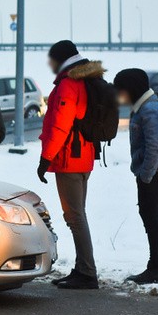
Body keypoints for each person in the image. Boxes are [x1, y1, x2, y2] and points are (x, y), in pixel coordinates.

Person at [38, 40, 103, 290]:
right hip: (83, 156)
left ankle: (87, 272)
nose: (50, 64)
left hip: (69, 159)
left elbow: (60, 125)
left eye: (52, 58)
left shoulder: (69, 84)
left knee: (75, 216)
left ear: (60, 59)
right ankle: (83, 268)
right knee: (77, 215)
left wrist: (46, 159)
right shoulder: (84, 79)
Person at [113, 68, 158, 284]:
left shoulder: (149, 110)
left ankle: (156, 268)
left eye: (122, 91)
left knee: (153, 221)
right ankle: (155, 267)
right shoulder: (145, 107)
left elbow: (155, 147)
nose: (121, 96)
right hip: (154, 174)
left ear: (132, 89)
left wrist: (145, 177)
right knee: (151, 219)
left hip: (156, 176)